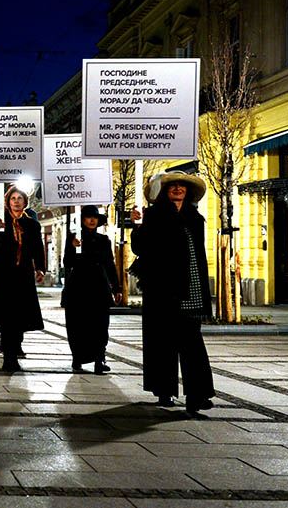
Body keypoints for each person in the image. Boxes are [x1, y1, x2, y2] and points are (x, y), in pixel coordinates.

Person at [130, 171, 215, 416]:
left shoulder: (195, 218)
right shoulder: (154, 215)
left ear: (188, 192)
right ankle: (164, 390)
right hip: (162, 289)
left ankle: (197, 395)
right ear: (165, 192)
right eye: (172, 186)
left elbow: (199, 255)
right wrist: (137, 225)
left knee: (193, 344)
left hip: (191, 288)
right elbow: (140, 247)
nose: (178, 189)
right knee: (163, 341)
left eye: (182, 186)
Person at [0, 185, 45, 373]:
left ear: (25, 202)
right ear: (8, 202)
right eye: (13, 198)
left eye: (20, 198)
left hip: (23, 276)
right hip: (3, 276)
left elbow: (38, 247)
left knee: (19, 316)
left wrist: (40, 268)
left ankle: (13, 346)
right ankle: (9, 356)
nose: (16, 201)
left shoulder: (32, 225)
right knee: (6, 316)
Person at [62, 206, 120, 374]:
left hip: (98, 286)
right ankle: (78, 358)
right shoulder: (74, 238)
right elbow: (67, 262)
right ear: (82, 220)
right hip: (78, 287)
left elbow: (109, 264)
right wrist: (73, 247)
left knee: (100, 324)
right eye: (88, 217)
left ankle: (99, 359)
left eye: (94, 217)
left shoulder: (104, 240)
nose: (92, 220)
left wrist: (116, 287)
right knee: (77, 324)